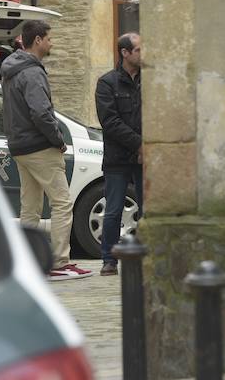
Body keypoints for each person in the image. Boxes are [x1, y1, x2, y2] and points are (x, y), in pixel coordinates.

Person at [2, 19, 93, 281]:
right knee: (62, 203)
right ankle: (59, 262)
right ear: (38, 40)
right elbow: (41, 112)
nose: (52, 43)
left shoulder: (11, 69)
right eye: (50, 39)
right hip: (40, 147)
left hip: (19, 146)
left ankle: (28, 261)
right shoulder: (32, 72)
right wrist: (57, 139)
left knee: (29, 207)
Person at [95, 33, 143, 276]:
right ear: (125, 53)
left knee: (148, 210)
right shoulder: (107, 83)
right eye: (138, 50)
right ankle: (109, 259)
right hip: (117, 158)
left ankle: (146, 257)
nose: (143, 54)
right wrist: (139, 144)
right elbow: (110, 121)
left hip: (144, 158)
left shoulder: (149, 80)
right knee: (113, 211)